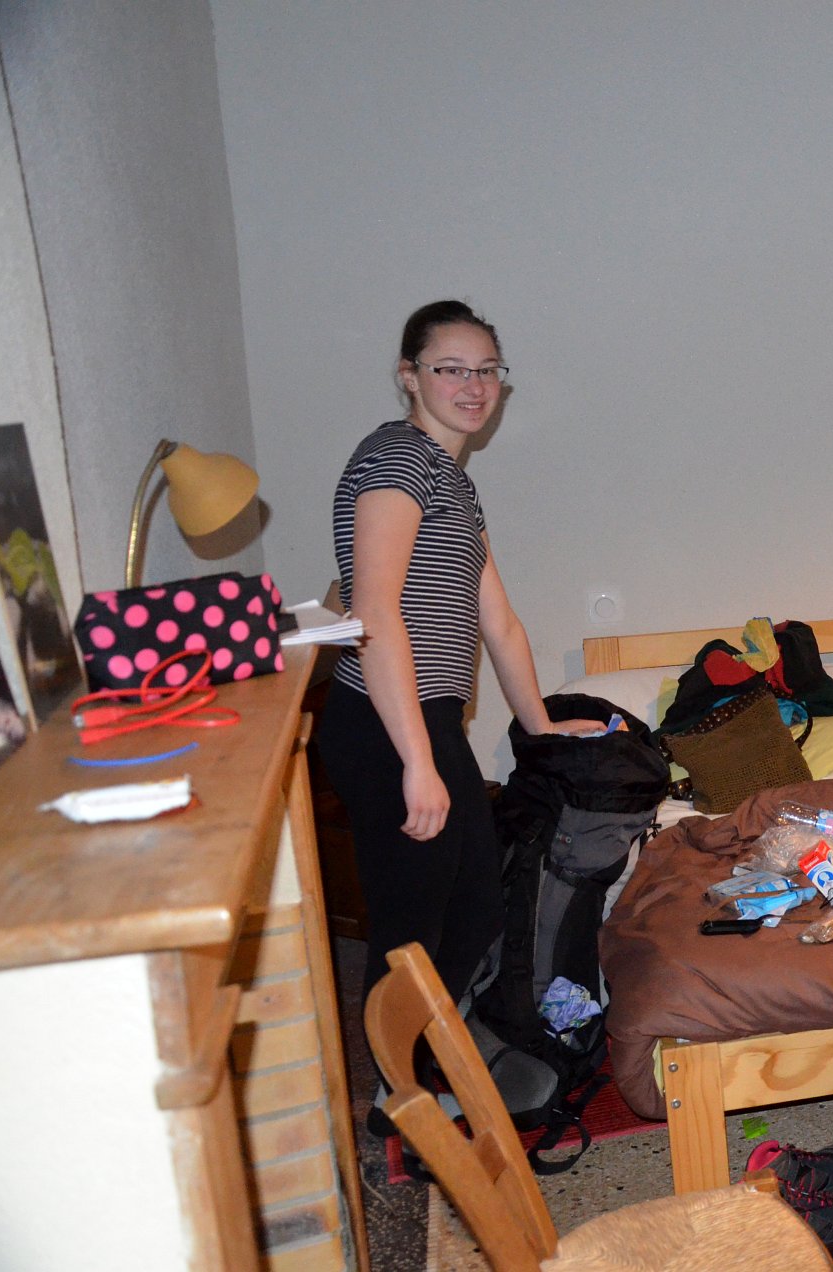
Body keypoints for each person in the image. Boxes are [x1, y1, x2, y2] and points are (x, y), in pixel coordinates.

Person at [317, 300, 599, 1035]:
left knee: (474, 907)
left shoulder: (451, 478)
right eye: (451, 369)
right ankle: (398, 1086)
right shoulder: (398, 459)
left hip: (425, 718)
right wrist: (417, 762)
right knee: (412, 926)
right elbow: (375, 612)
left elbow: (497, 621)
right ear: (409, 376)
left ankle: (417, 1072)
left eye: (487, 371)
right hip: (384, 722)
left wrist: (541, 727)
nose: (473, 386)